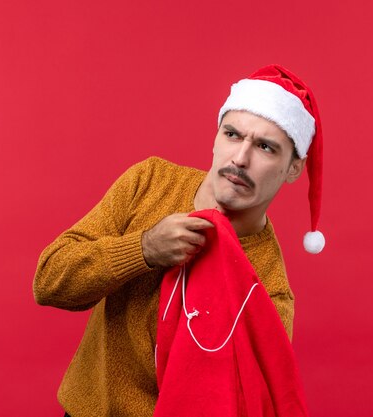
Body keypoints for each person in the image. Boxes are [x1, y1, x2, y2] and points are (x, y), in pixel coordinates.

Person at [33, 64, 325, 417]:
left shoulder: (268, 290)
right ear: (216, 137)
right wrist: (143, 249)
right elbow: (48, 283)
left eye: (265, 147)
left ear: (294, 168)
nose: (240, 158)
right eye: (232, 135)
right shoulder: (150, 182)